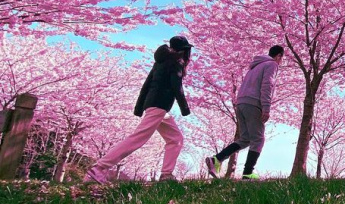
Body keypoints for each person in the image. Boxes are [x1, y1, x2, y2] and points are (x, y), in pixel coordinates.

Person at [85, 35, 192, 183]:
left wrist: (139, 107)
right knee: (138, 138)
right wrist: (185, 108)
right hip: (159, 106)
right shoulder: (176, 63)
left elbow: (146, 85)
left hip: (155, 106)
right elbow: (177, 87)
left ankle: (166, 175)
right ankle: (99, 168)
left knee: (175, 138)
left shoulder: (160, 62)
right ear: (183, 51)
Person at [205, 45, 283, 180]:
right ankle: (248, 174)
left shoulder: (255, 66)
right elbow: (267, 85)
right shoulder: (272, 64)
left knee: (245, 139)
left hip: (241, 103)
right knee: (258, 139)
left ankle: (216, 160)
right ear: (279, 56)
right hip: (253, 103)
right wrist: (266, 107)